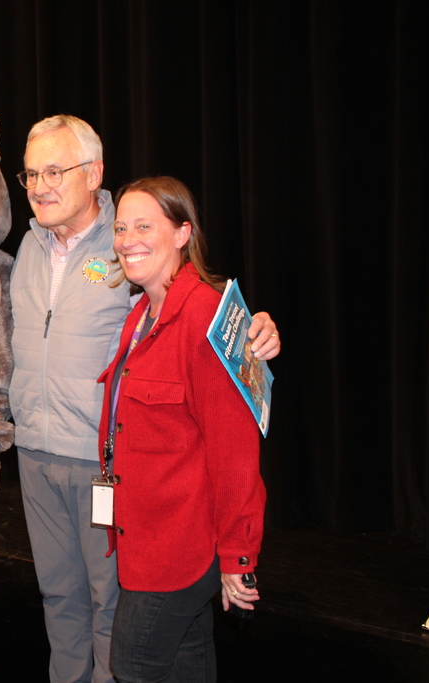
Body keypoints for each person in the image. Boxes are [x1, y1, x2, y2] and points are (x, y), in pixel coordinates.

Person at [8, 116, 280, 683]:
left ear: (93, 174)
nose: (39, 185)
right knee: (62, 599)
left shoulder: (132, 253)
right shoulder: (29, 249)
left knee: (120, 622)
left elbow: (212, 351)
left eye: (54, 171)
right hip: (37, 454)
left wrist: (253, 330)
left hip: (111, 473)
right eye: (30, 174)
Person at [98, 176, 267, 682]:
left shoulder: (204, 317)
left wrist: (238, 555)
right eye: (121, 228)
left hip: (177, 550)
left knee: (131, 666)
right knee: (188, 661)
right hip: (144, 536)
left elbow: (235, 451)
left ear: (181, 233)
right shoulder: (142, 314)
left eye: (144, 226)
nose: (128, 240)